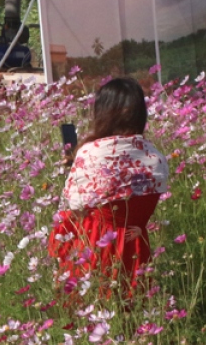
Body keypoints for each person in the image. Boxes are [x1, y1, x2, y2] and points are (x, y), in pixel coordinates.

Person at [48, 77, 169, 297]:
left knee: (95, 314)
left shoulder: (90, 153)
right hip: (136, 248)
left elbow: (74, 207)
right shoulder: (156, 157)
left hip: (97, 249)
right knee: (135, 314)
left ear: (103, 112)